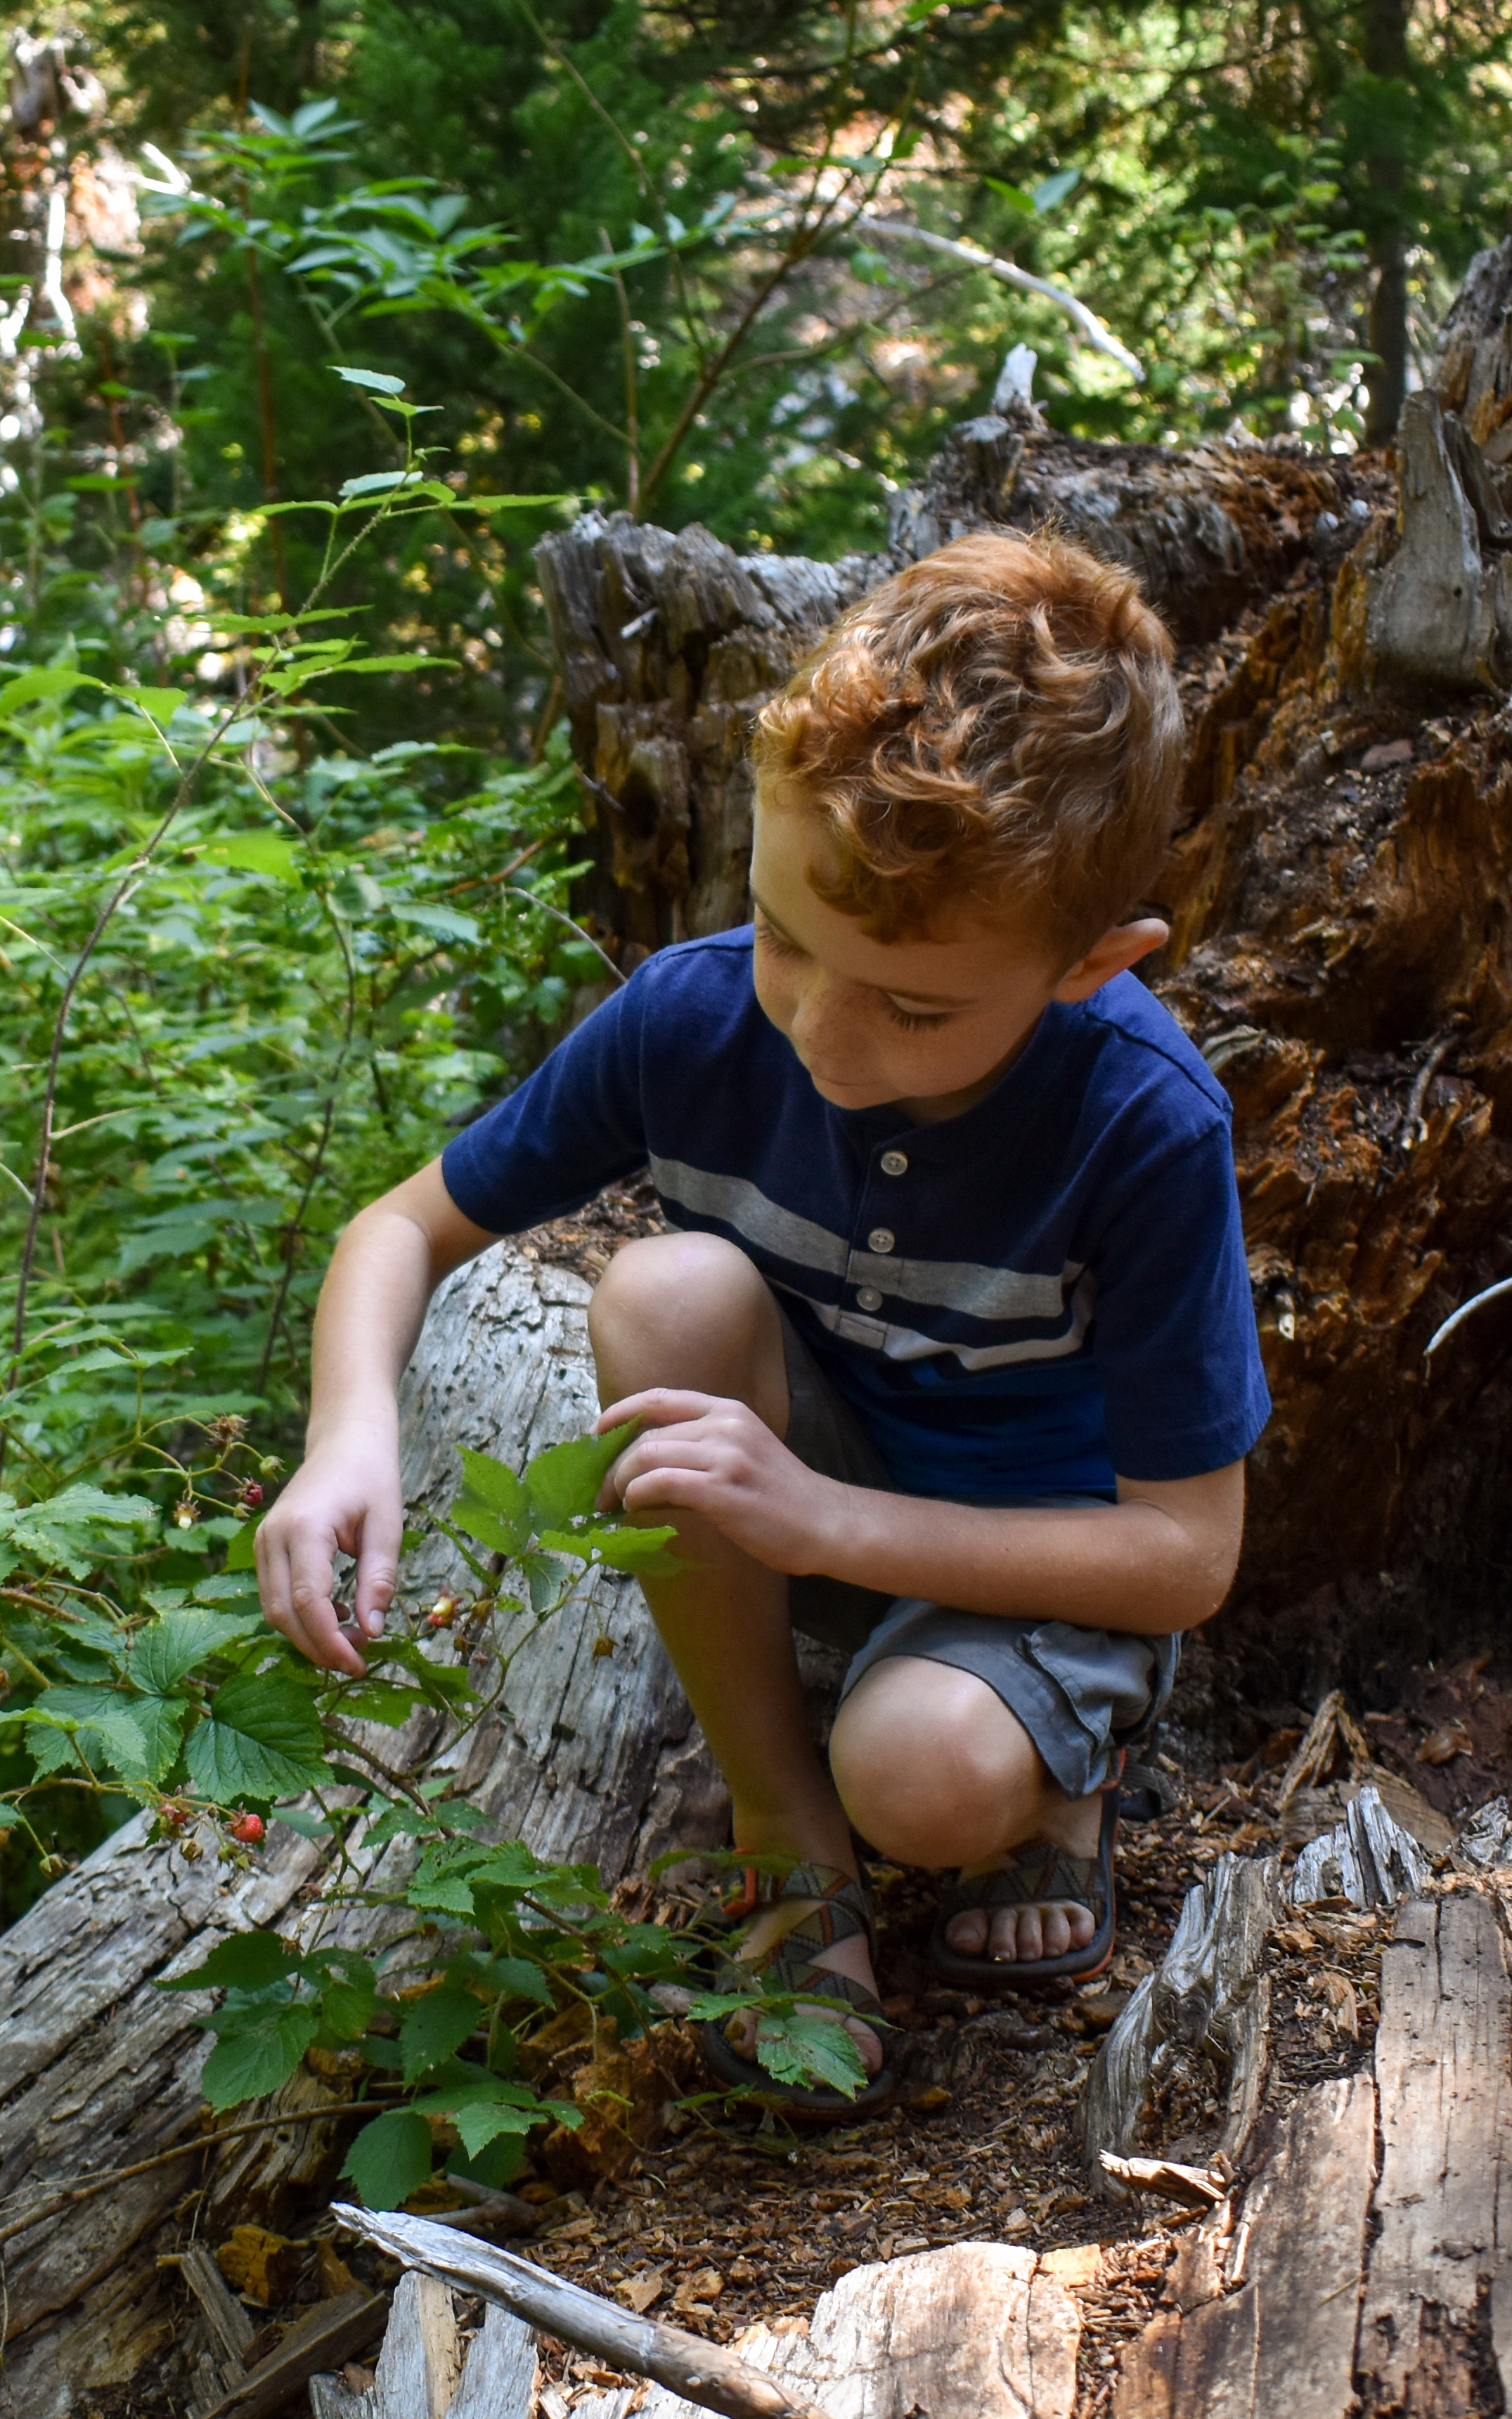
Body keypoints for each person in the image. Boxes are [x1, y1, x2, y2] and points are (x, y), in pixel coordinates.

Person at [254, 531, 1267, 2119]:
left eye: (916, 1007)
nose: (819, 1030)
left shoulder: (1140, 1124)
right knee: (666, 1287)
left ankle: (1056, 1772)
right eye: (786, 935)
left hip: (1041, 1553)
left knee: (924, 1778)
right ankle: (784, 1832)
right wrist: (346, 1437)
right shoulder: (695, 1015)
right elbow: (400, 1225)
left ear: (1092, 966)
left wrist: (820, 1514)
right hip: (822, 1496)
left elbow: (1187, 1552)